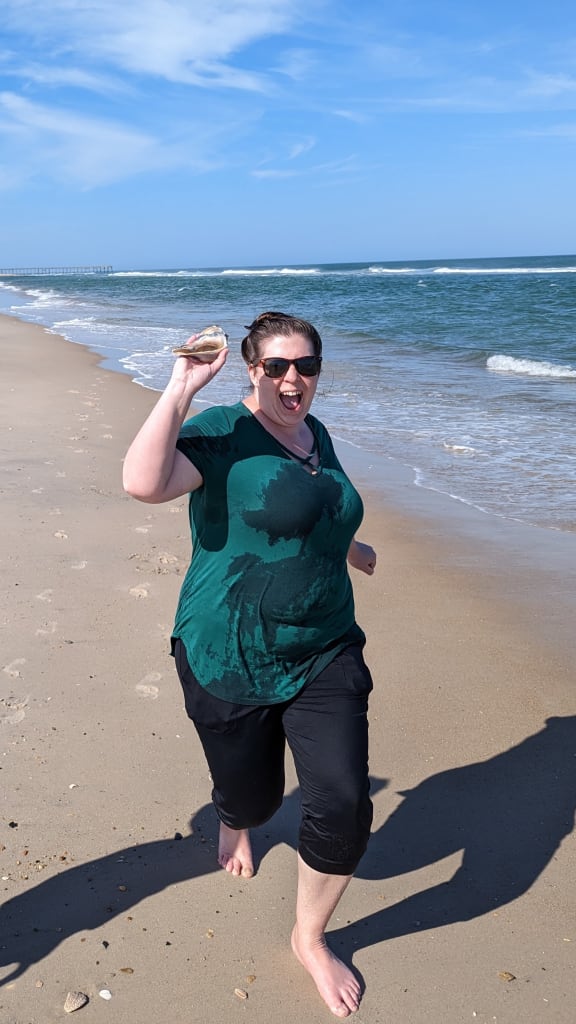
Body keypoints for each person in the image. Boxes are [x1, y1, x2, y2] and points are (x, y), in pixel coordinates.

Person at [123, 311, 377, 1018]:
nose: (294, 380)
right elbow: (143, 483)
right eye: (277, 367)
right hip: (226, 652)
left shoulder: (314, 434)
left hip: (325, 645)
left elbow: (318, 502)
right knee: (256, 799)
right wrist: (180, 387)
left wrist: (347, 546)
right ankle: (236, 818)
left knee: (344, 799)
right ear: (252, 370)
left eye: (307, 365)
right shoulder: (219, 434)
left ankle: (308, 935)